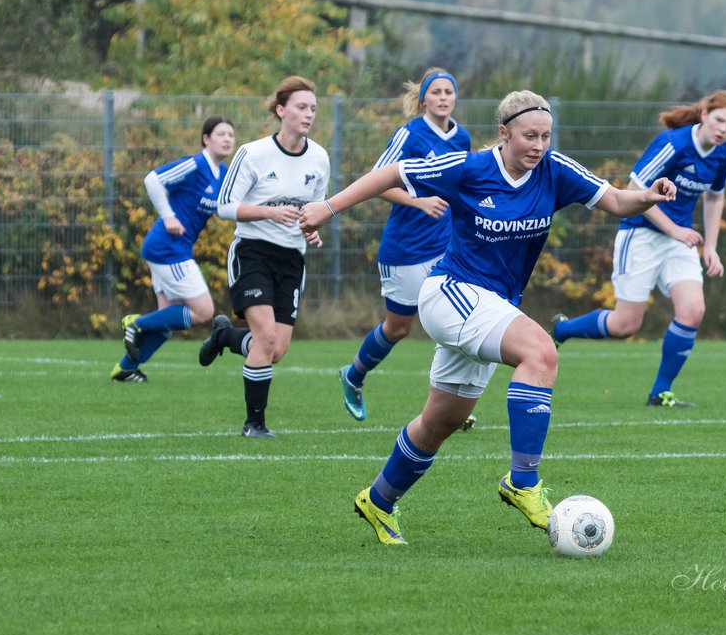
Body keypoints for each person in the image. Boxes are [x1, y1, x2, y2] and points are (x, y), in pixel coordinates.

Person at [299, 90, 675, 545]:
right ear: (504, 133)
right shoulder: (471, 168)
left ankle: (377, 501)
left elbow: (616, 201)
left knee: (442, 422)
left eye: (545, 136)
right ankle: (524, 482)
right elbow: (393, 173)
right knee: (540, 353)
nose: (538, 145)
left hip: (492, 305)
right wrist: (327, 208)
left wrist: (648, 197)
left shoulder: (555, 171)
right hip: (450, 293)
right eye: (529, 136)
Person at [550, 90, 726, 408]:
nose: (723, 129)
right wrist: (674, 229)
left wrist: (711, 246)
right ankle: (562, 328)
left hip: (678, 241)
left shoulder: (723, 155)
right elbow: (634, 192)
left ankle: (660, 392)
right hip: (640, 234)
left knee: (693, 311)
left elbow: (714, 196)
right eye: (719, 120)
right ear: (705, 114)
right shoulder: (674, 144)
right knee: (626, 325)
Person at [197, 76, 329, 438]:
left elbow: (312, 210)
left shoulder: (319, 158)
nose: (309, 114)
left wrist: (310, 228)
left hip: (291, 259)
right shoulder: (253, 153)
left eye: (313, 108)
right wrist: (270, 213)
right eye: (301, 107)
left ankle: (225, 337)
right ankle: (254, 424)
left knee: (276, 350)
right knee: (265, 337)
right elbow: (224, 207)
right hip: (252, 251)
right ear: (280, 109)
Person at [337, 68, 471, 423]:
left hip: (446, 247)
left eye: (448, 91)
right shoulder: (409, 135)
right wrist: (419, 202)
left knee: (455, 320)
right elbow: (375, 183)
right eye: (436, 92)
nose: (443, 97)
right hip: (406, 248)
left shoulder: (463, 139)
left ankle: (450, 405)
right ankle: (353, 376)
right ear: (423, 99)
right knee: (399, 327)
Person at [114, 116, 236, 382]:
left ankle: (125, 369)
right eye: (221, 134)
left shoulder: (224, 174)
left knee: (167, 323)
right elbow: (152, 180)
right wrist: (168, 216)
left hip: (173, 249)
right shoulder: (195, 165)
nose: (227, 139)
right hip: (168, 249)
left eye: (231, 135)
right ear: (206, 138)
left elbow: (232, 207)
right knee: (204, 311)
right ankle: (136, 322)